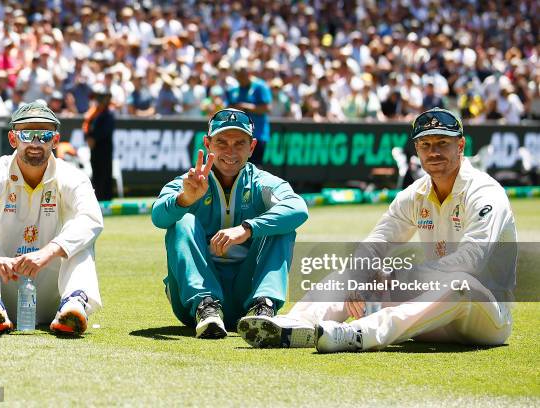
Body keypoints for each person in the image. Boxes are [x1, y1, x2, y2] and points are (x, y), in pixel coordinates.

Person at [238, 108, 517, 352]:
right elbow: (375, 244)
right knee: (353, 271)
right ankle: (293, 326)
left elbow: (471, 260)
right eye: (425, 144)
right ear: (417, 150)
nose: (433, 152)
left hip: (486, 316)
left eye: (443, 143)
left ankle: (358, 334)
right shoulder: (415, 194)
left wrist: (395, 277)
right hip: (429, 317)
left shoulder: (484, 192)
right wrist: (364, 278)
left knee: (459, 284)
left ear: (461, 146)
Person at [0, 101, 103, 335]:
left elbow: (92, 219)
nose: (36, 143)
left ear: (55, 140)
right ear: (13, 139)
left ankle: (75, 303)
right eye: (28, 134)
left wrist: (48, 252)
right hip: (2, 288)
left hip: (55, 297)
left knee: (78, 231)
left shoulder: (72, 176)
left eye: (45, 135)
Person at [152, 108, 308, 339]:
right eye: (221, 142)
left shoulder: (262, 183)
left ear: (252, 147)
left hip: (247, 294)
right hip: (191, 302)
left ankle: (263, 306)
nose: (230, 151)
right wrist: (185, 199)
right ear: (208, 143)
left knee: (282, 225)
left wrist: (247, 228)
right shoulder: (191, 181)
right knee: (182, 219)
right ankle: (206, 306)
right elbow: (158, 217)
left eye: (239, 143)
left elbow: (298, 209)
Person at [226, 61, 272, 166]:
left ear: (249, 74)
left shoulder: (260, 86)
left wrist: (244, 107)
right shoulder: (233, 90)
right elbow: (228, 108)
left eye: (243, 76)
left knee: (255, 167)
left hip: (257, 134)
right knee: (238, 166)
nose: (241, 79)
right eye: (239, 76)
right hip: (238, 135)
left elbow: (267, 108)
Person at [83, 84, 115, 201]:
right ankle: (96, 198)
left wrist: (94, 138)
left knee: (105, 173)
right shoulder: (93, 112)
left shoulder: (109, 113)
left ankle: (106, 198)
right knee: (96, 172)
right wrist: (88, 138)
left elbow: (106, 131)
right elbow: (86, 127)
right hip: (94, 149)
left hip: (104, 148)